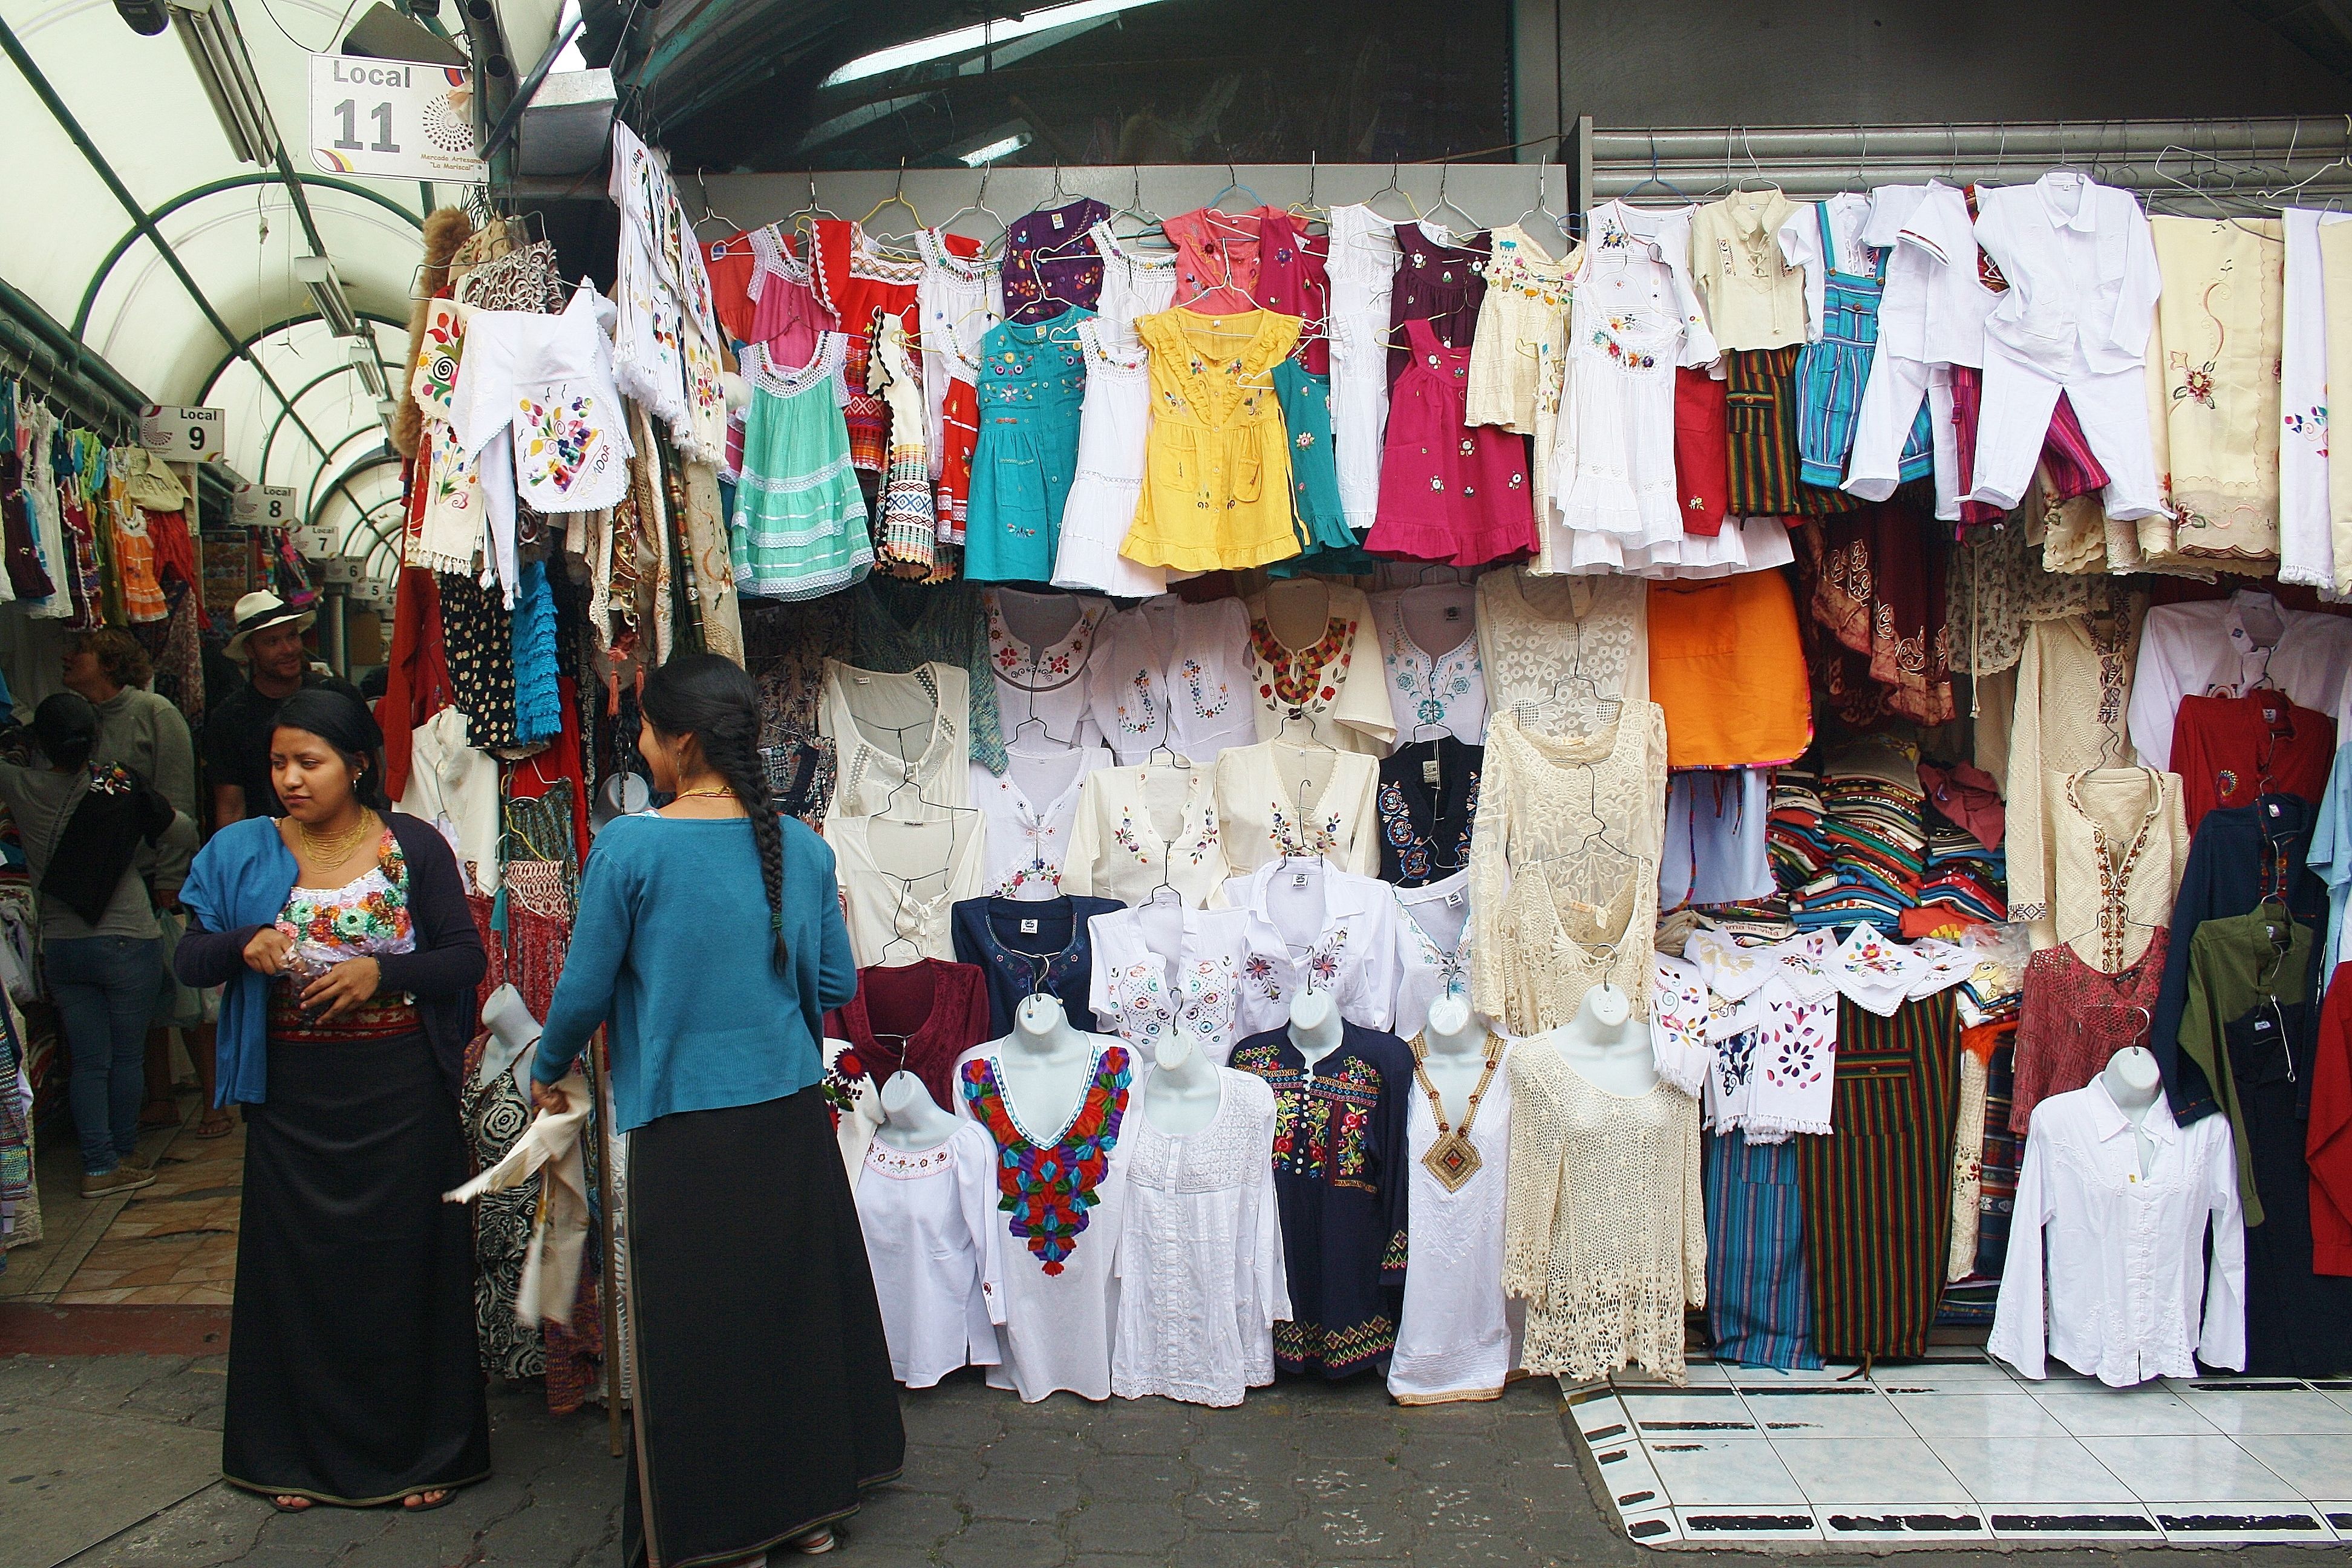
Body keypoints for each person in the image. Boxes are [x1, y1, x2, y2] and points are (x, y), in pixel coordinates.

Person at [531, 652, 903, 1563]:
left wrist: (547, 1066)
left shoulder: (631, 845)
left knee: (695, 1330)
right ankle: (806, 1511)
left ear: (681, 740)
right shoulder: (804, 849)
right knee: (788, 1313)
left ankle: (718, 1528)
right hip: (784, 1120)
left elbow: (580, 993)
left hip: (684, 1127)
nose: (643, 745)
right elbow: (833, 980)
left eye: (649, 730)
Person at [174, 688, 489, 1514]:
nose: (290, 779)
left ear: (356, 764)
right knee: (300, 1275)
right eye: (279, 763)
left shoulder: (413, 846)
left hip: (399, 1094)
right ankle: (294, 1458)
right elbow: (188, 958)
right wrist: (244, 943)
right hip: (292, 1100)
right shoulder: (244, 851)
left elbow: (464, 961)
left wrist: (383, 972)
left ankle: (426, 1455)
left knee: (405, 1267)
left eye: (308, 762)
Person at [0, 694, 194, 1197]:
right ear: (96, 736)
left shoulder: (19, 784)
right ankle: (125, 1153)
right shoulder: (120, 784)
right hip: (129, 935)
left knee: (89, 1060)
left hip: (62, 942)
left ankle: (97, 1165)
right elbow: (181, 832)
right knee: (126, 1057)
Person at [61, 626, 224, 1137]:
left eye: (80, 652)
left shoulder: (156, 714)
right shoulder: (76, 719)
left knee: (188, 993)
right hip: (107, 880)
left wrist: (171, 877)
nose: (68, 659)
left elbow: (177, 799)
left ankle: (214, 1103)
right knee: (145, 998)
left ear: (107, 662)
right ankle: (160, 1097)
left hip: (157, 875)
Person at [201, 590, 361, 830]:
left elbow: (372, 769)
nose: (288, 649)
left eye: (292, 637)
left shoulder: (336, 695)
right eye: (272, 642)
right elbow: (231, 805)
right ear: (250, 651)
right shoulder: (230, 717)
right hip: (270, 846)